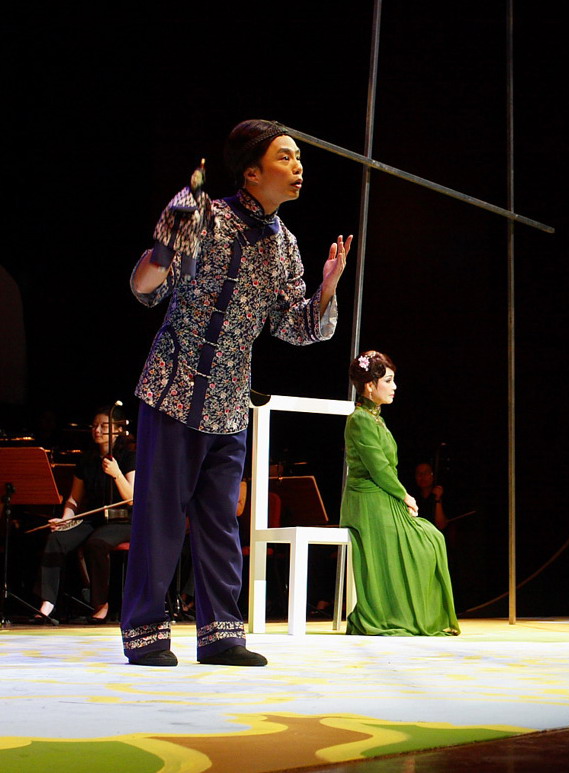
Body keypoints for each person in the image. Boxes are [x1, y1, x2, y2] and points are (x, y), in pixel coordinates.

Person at [122, 120, 350, 666]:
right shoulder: (207, 219)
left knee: (221, 520)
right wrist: (164, 247)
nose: (298, 167)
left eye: (299, 158)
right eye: (285, 157)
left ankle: (221, 635)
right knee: (160, 515)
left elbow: (294, 327)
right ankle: (146, 633)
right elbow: (145, 289)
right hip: (175, 387)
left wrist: (326, 288)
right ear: (251, 172)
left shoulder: (285, 245)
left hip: (229, 399)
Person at [340, 351, 459, 636]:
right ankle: (392, 613)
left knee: (432, 537)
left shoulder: (375, 419)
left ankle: (410, 612)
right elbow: (378, 467)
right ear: (370, 385)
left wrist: (400, 496)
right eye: (388, 381)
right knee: (422, 542)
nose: (394, 387)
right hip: (367, 498)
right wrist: (405, 495)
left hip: (383, 495)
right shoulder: (360, 420)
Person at [36, 405, 135, 624]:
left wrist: (116, 474)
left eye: (104, 426)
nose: (97, 430)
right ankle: (47, 603)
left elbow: (131, 498)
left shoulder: (129, 457)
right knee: (56, 538)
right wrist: (65, 519)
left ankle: (100, 604)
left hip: (124, 520)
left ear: (119, 430)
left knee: (96, 543)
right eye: (94, 426)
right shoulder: (86, 459)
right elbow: (74, 499)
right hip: (94, 519)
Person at [414, 462, 449, 532]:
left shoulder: (443, 495)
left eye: (426, 473)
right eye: (419, 473)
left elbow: (441, 525)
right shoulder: (412, 497)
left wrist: (438, 499)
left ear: (433, 476)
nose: (422, 476)